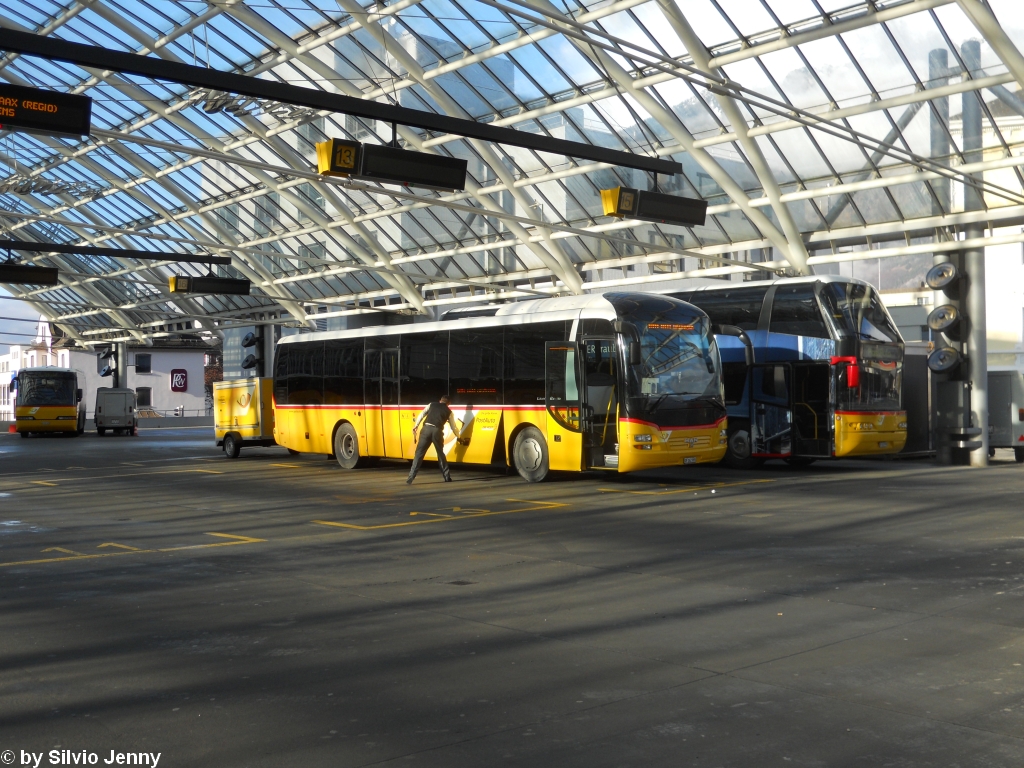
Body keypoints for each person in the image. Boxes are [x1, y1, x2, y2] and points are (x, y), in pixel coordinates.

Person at [407, 395, 462, 484]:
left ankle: (411, 477)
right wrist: (458, 436)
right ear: (449, 403)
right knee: (440, 454)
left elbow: (422, 414)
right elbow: (453, 427)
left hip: (426, 430)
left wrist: (416, 426)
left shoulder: (431, 404)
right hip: (437, 431)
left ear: (440, 401)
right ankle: (447, 477)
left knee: (419, 454)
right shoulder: (449, 412)